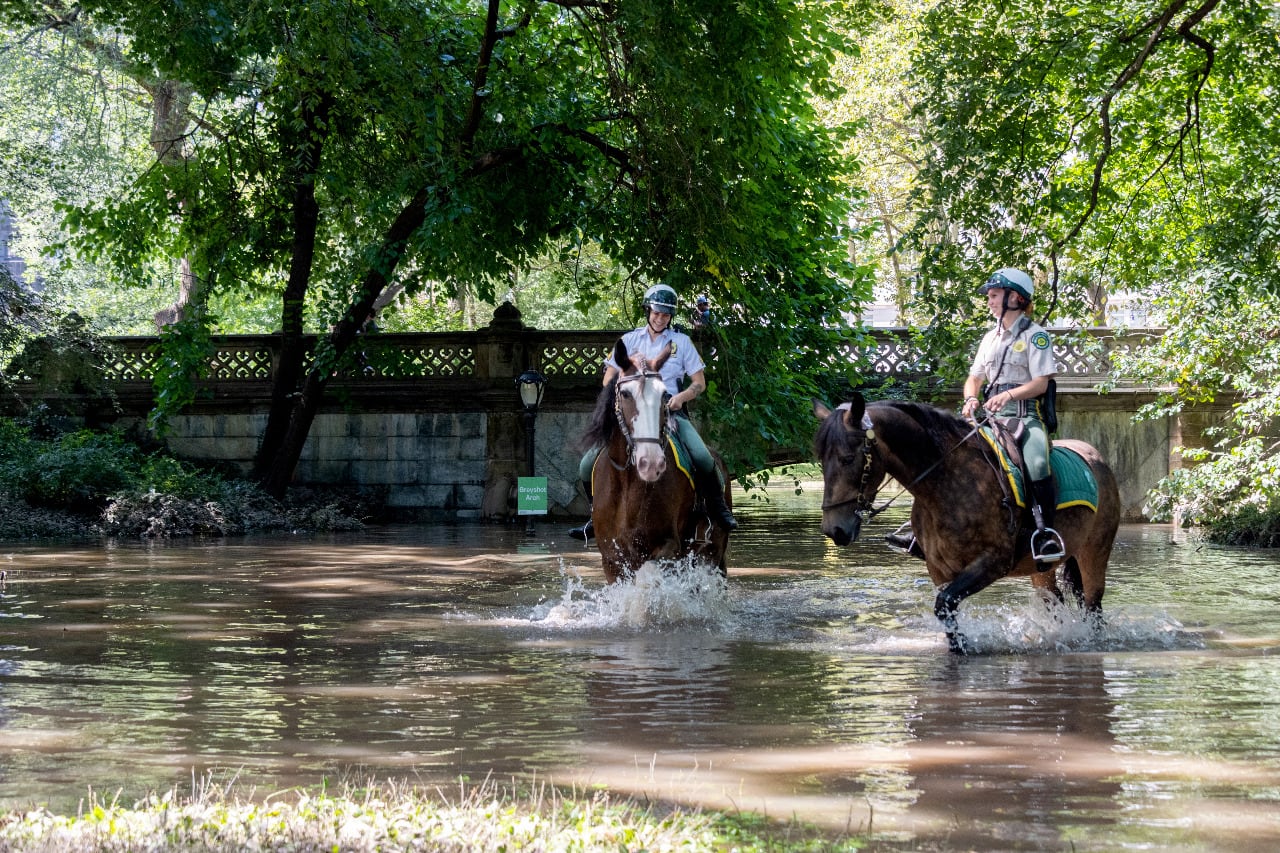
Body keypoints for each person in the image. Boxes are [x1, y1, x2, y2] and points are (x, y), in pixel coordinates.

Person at [886, 267, 1065, 565]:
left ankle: (1044, 534)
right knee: (942, 454)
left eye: (994, 296)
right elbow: (974, 378)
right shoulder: (989, 338)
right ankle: (921, 531)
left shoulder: (1036, 336)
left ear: (1015, 298)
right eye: (990, 297)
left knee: (1036, 462)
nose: (989, 302)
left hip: (1024, 417)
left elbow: (1041, 383)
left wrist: (1008, 395)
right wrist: (971, 397)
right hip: (988, 418)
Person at [569, 283, 738, 540]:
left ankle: (715, 508)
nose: (660, 318)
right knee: (585, 466)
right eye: (656, 313)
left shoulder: (681, 343)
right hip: (632, 412)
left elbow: (699, 382)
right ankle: (596, 516)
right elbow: (608, 379)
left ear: (671, 316)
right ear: (648, 311)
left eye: (666, 314)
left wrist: (681, 397)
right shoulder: (628, 341)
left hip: (668, 409)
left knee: (703, 458)